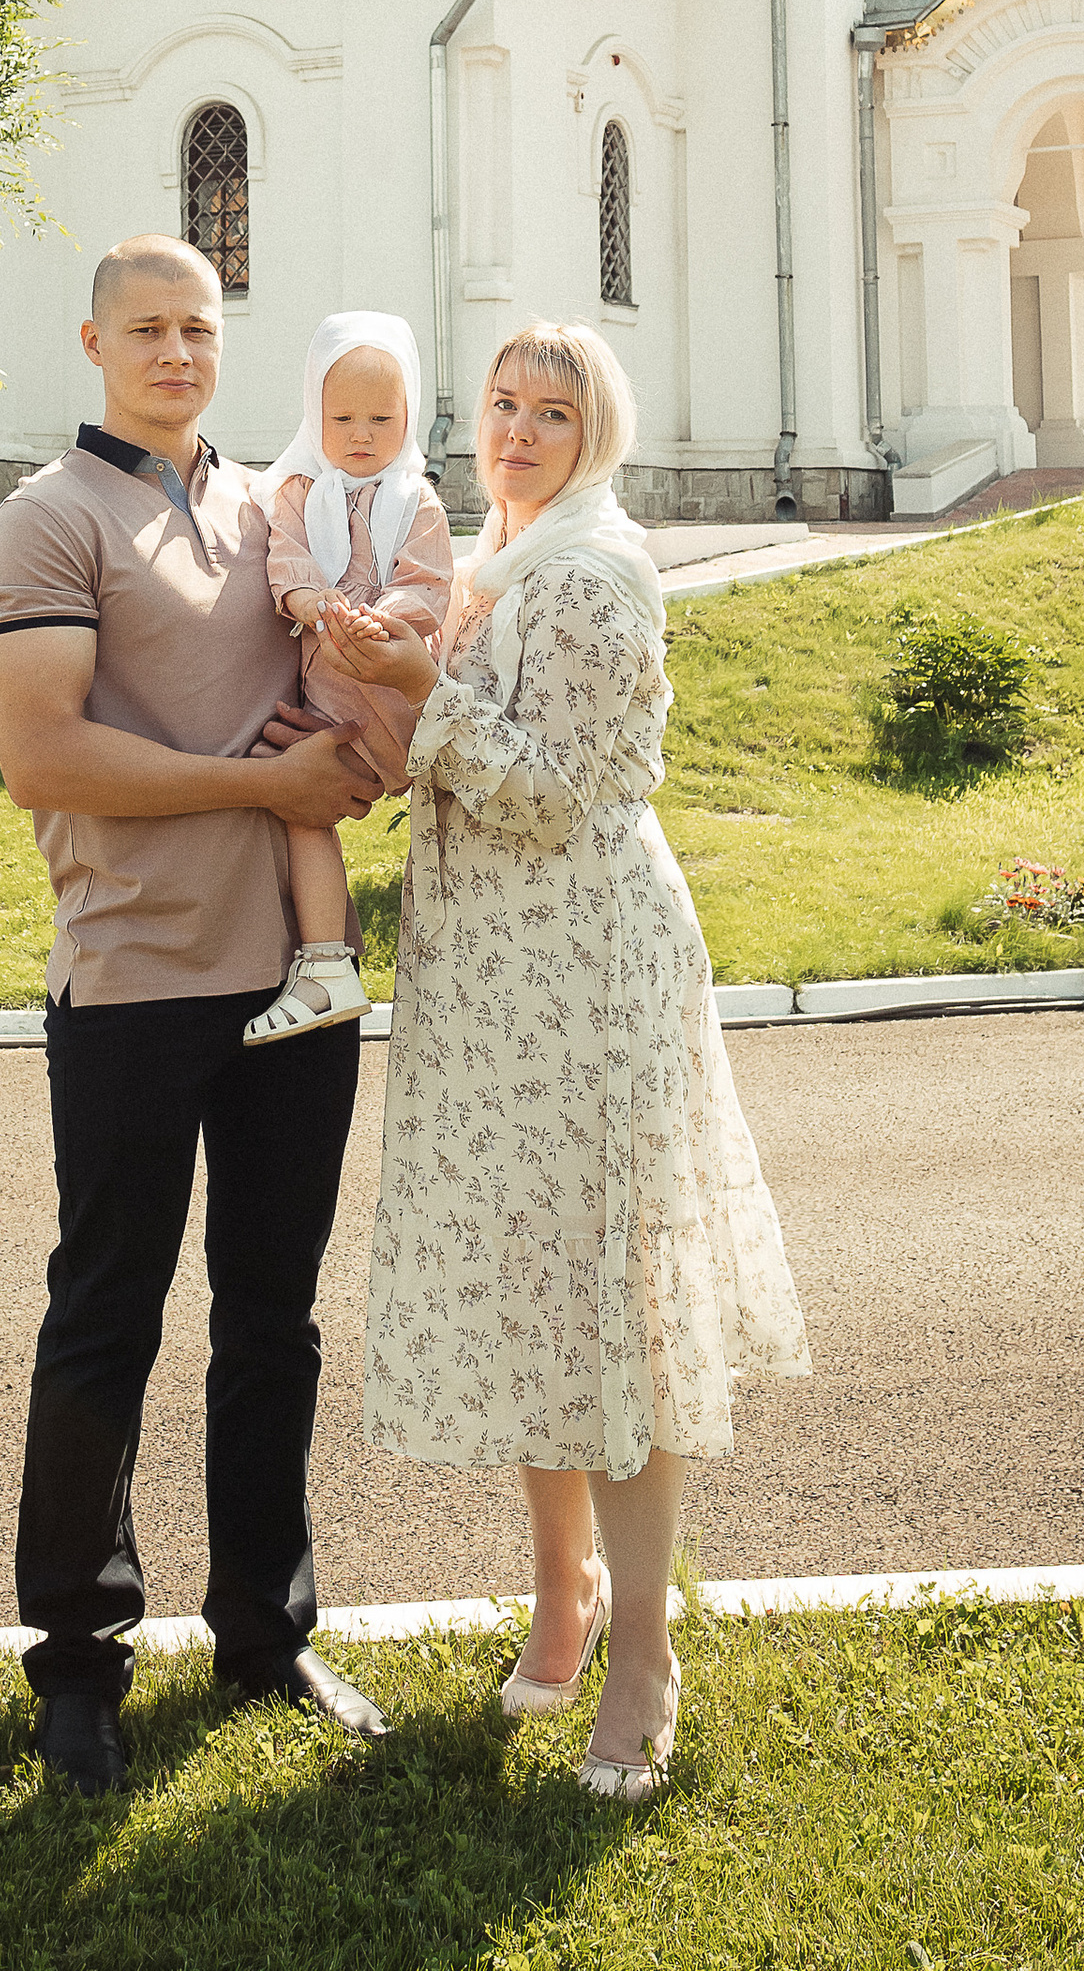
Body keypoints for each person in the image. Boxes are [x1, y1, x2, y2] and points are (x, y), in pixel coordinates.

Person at [312, 317, 811, 1801]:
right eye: (503, 405)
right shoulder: (496, 562)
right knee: (535, 1284)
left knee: (615, 1306)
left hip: (586, 978)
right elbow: (451, 753)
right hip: (490, 980)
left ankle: (645, 1651)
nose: (520, 433)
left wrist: (422, 694)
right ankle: (562, 1592)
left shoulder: (590, 576)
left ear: (598, 435)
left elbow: (563, 794)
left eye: (553, 412)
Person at [0, 233, 395, 1797]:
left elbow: (352, 689)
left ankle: (266, 1636)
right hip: (138, 978)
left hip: (298, 982)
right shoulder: (51, 517)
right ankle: (78, 1667)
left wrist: (355, 747)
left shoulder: (273, 506)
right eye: (147, 329)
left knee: (273, 1320)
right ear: (94, 345)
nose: (176, 354)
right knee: (107, 1317)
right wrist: (261, 786)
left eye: (199, 329)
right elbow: (45, 757)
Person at [243, 310, 455, 1049]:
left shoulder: (417, 500)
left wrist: (380, 617)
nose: (361, 435)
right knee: (303, 803)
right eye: (342, 418)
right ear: (315, 414)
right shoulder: (299, 493)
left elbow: (427, 582)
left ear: (410, 415)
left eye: (381, 418)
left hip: (392, 692)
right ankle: (324, 958)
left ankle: (369, 959)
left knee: (423, 810)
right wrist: (308, 599)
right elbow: (287, 558)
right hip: (333, 696)